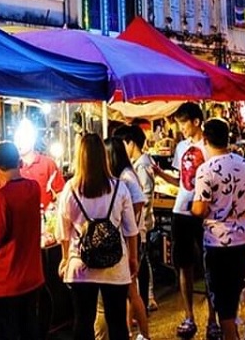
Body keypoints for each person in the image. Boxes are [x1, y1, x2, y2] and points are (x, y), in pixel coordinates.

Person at [57, 133, 139, 340]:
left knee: (83, 322)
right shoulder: (119, 188)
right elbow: (131, 230)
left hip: (80, 266)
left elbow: (63, 231)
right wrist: (133, 258)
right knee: (118, 322)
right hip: (115, 264)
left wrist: (65, 258)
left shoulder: (70, 190)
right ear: (103, 156)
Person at [191, 118, 245, 340]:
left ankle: (231, 337)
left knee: (224, 302)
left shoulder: (205, 170)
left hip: (218, 242)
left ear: (206, 139)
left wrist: (194, 208)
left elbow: (200, 208)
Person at [155, 102, 213, 339]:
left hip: (204, 212)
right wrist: (160, 175)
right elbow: (181, 181)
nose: (181, 128)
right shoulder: (180, 147)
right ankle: (189, 316)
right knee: (184, 264)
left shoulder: (209, 147)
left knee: (209, 265)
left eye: (183, 122)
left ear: (196, 121)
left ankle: (213, 318)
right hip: (181, 211)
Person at [0, 141, 45, 340]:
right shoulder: (34, 188)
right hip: (32, 277)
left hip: (7, 282)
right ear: (19, 161)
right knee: (29, 331)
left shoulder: (2, 197)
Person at [95, 133, 149, 340]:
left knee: (131, 292)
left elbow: (138, 202)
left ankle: (144, 335)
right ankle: (130, 332)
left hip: (132, 241)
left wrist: (127, 222)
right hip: (131, 239)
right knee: (129, 293)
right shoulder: (123, 175)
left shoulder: (125, 177)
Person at [120, 125, 158, 311]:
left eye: (123, 143)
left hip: (141, 225)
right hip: (142, 224)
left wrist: (136, 222)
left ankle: (147, 299)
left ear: (131, 143)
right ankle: (146, 300)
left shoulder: (141, 165)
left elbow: (145, 196)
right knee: (143, 263)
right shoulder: (139, 164)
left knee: (141, 266)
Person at [19, 131, 66, 208]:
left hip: (45, 217)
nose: (19, 143)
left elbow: (60, 192)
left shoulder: (48, 163)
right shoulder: (13, 167)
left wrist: (54, 209)